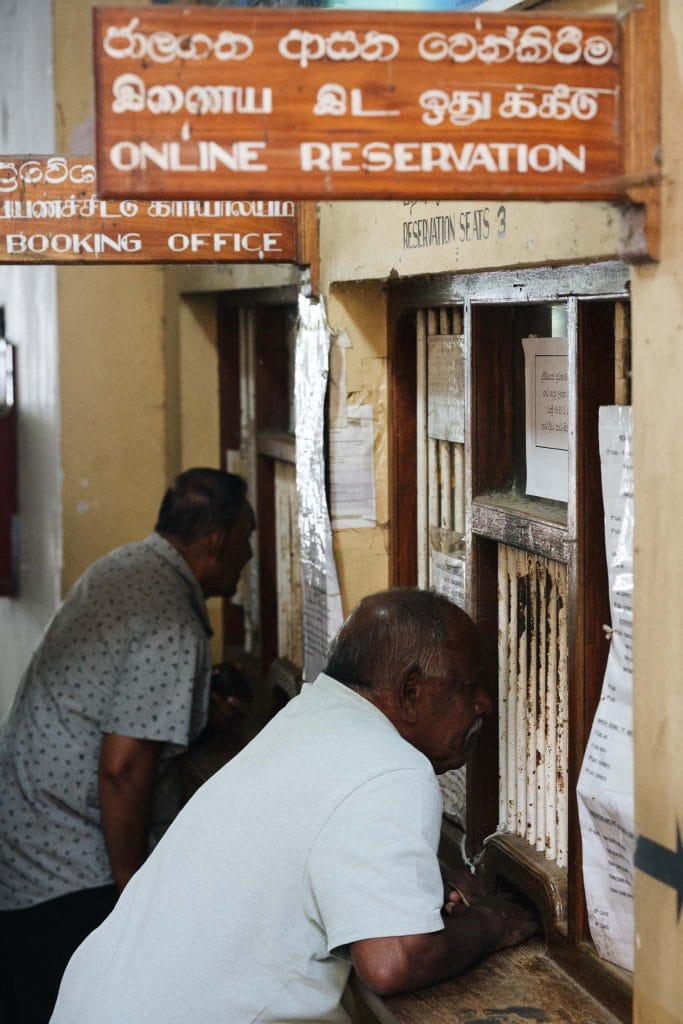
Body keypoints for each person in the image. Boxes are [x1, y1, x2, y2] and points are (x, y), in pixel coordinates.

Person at [50, 588, 537, 1024]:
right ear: (411, 692)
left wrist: (416, 881)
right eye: (467, 687)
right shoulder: (395, 766)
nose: (483, 706)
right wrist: (495, 922)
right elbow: (395, 960)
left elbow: (310, 842)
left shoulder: (310, 717)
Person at [0, 468, 255, 1024]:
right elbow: (122, 769)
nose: (250, 554)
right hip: (65, 875)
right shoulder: (170, 619)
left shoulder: (127, 567)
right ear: (216, 539)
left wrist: (197, 713)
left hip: (24, 846)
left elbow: (116, 705)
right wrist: (133, 900)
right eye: (247, 537)